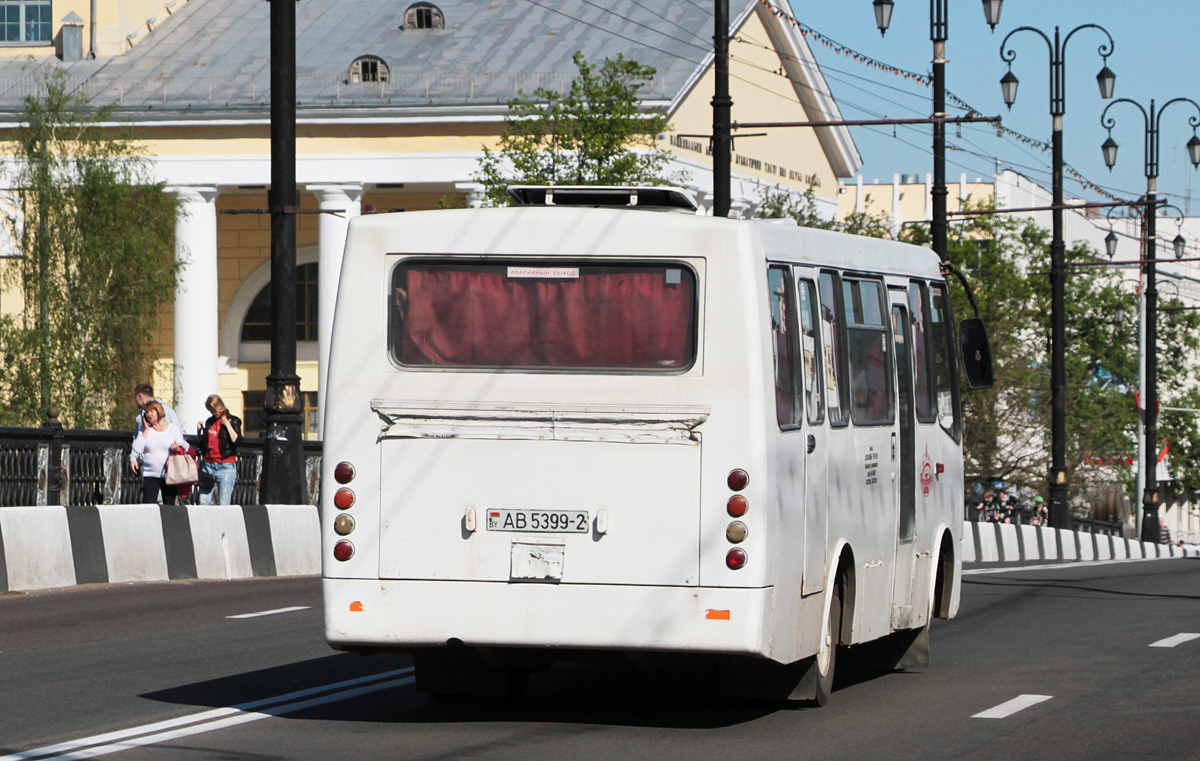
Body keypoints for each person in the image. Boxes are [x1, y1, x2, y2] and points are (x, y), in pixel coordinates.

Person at [130, 401, 187, 504]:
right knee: (149, 506)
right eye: (147, 412)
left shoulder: (172, 428)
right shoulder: (145, 430)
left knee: (169, 507)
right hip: (150, 473)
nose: (149, 414)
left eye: (152, 411)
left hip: (169, 474)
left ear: (159, 412)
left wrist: (177, 449)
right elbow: (137, 448)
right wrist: (133, 458)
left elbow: (183, 446)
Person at [196, 394, 241, 505]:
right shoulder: (210, 422)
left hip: (225, 465)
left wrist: (227, 424)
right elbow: (203, 445)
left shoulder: (233, 420)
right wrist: (200, 432)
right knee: (203, 501)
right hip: (208, 465)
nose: (214, 413)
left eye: (214, 410)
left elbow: (237, 440)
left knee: (224, 502)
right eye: (211, 411)